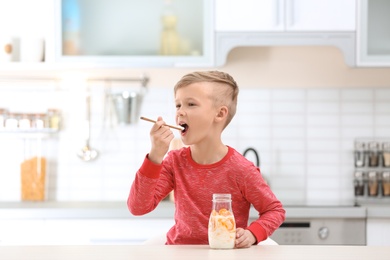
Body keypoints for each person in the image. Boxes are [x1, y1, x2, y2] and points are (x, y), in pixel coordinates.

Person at [127, 71, 285, 248]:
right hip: (180, 253)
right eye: (178, 105)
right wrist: (155, 155)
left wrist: (253, 233)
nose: (180, 112)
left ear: (220, 114)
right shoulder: (174, 162)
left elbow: (274, 210)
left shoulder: (241, 170)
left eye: (191, 104)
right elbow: (138, 207)